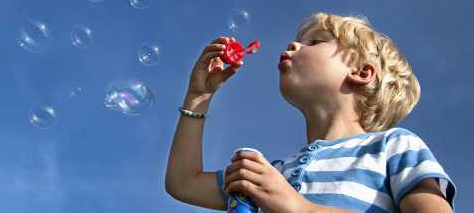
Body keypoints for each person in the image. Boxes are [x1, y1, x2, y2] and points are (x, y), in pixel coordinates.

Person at [164, 12, 457, 212]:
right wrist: (198, 96)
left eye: (315, 42)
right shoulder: (275, 174)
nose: (293, 44)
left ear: (362, 72)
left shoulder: (393, 147)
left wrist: (297, 206)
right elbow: (183, 182)